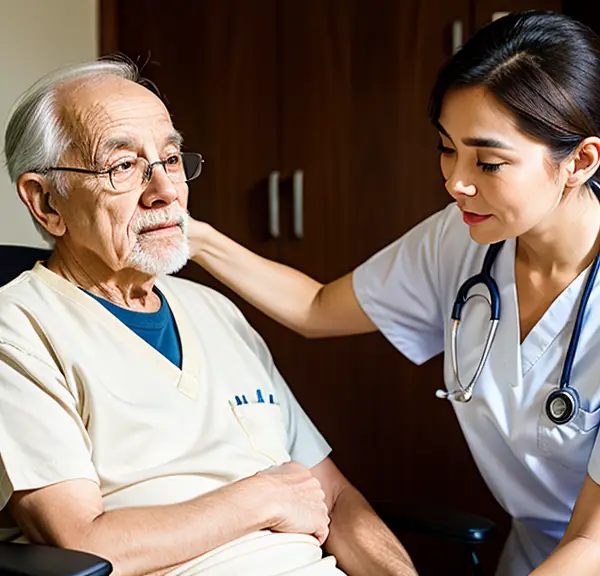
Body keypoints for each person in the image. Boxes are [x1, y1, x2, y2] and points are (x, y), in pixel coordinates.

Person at [186, 10, 600, 576]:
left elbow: (592, 541)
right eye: (446, 148)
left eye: (489, 161)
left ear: (580, 161)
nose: (456, 180)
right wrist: (195, 238)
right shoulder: (464, 237)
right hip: (532, 556)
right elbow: (315, 308)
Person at [0, 59, 416, 576]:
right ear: (45, 203)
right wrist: (261, 499)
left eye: (171, 159)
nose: (166, 191)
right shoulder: (18, 329)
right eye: (123, 166)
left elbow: (329, 494)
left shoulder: (215, 310)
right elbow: (85, 544)